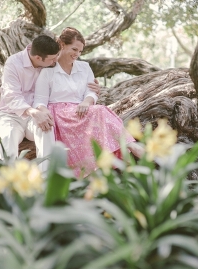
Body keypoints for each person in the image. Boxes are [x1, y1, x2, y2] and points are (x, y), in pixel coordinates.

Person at [33, 27, 144, 178]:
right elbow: (40, 99)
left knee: (99, 110)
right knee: (100, 111)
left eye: (80, 51)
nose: (77, 54)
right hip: (61, 116)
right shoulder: (47, 71)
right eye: (74, 49)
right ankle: (130, 147)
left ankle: (127, 148)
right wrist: (41, 111)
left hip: (81, 110)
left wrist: (86, 101)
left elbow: (91, 91)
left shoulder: (84, 67)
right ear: (62, 44)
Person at [0, 35, 101, 172]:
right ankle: (4, 183)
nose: (56, 61)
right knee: (9, 137)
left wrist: (94, 91)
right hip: (10, 115)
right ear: (38, 58)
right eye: (52, 59)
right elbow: (11, 96)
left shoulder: (49, 58)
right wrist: (34, 112)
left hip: (37, 114)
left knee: (47, 130)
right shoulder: (14, 63)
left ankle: (46, 180)